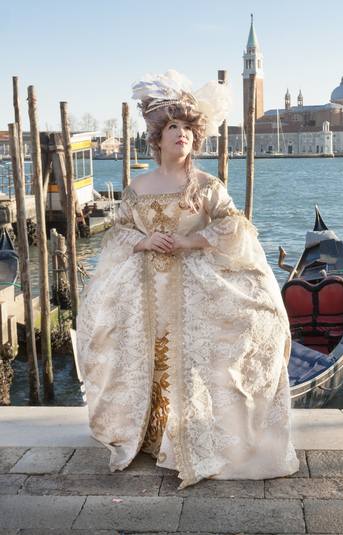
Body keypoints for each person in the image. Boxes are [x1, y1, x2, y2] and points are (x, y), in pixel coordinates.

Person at [76, 70, 299, 489]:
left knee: (198, 358)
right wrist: (143, 243)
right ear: (158, 138)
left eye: (186, 129)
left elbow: (235, 227)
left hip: (196, 287)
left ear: (196, 138)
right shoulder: (138, 185)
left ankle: (191, 436)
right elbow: (122, 229)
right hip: (143, 289)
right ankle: (152, 436)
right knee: (149, 356)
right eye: (172, 128)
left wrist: (189, 240)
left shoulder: (205, 185)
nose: (180, 135)